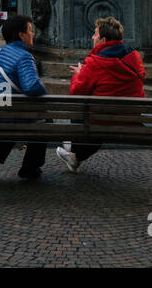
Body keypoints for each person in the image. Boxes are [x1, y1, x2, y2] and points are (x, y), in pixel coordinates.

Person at [55, 17, 144, 173]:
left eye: (95, 34)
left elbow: (76, 92)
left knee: (82, 110)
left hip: (101, 122)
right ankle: (74, 154)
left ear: (103, 40)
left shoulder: (95, 63)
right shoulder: (134, 57)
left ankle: (74, 151)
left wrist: (79, 73)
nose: (92, 37)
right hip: (131, 119)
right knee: (100, 116)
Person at [0, 14, 48, 190]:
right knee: (43, 121)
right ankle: (30, 167)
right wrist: (46, 93)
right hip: (7, 119)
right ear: (21, 35)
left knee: (9, 120)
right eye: (30, 30)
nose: (33, 34)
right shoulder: (24, 57)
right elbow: (31, 87)